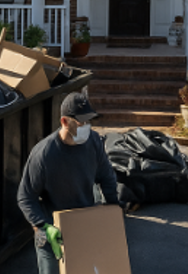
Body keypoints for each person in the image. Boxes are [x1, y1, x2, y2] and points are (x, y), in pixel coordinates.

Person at [17, 92, 119, 274]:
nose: (86, 126)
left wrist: (112, 212)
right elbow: (25, 197)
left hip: (83, 225)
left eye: (89, 122)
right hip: (51, 231)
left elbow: (107, 177)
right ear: (64, 121)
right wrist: (43, 226)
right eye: (81, 122)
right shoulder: (44, 155)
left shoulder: (93, 142)